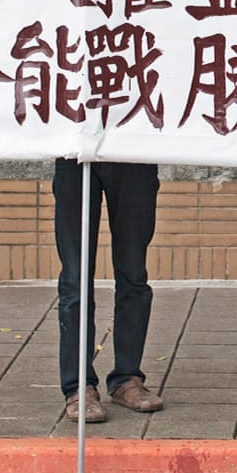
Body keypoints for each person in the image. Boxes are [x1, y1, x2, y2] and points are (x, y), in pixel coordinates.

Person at [52, 158, 164, 422]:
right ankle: (78, 387)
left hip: (133, 151)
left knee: (134, 276)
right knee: (75, 281)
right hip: (75, 153)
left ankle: (127, 379)